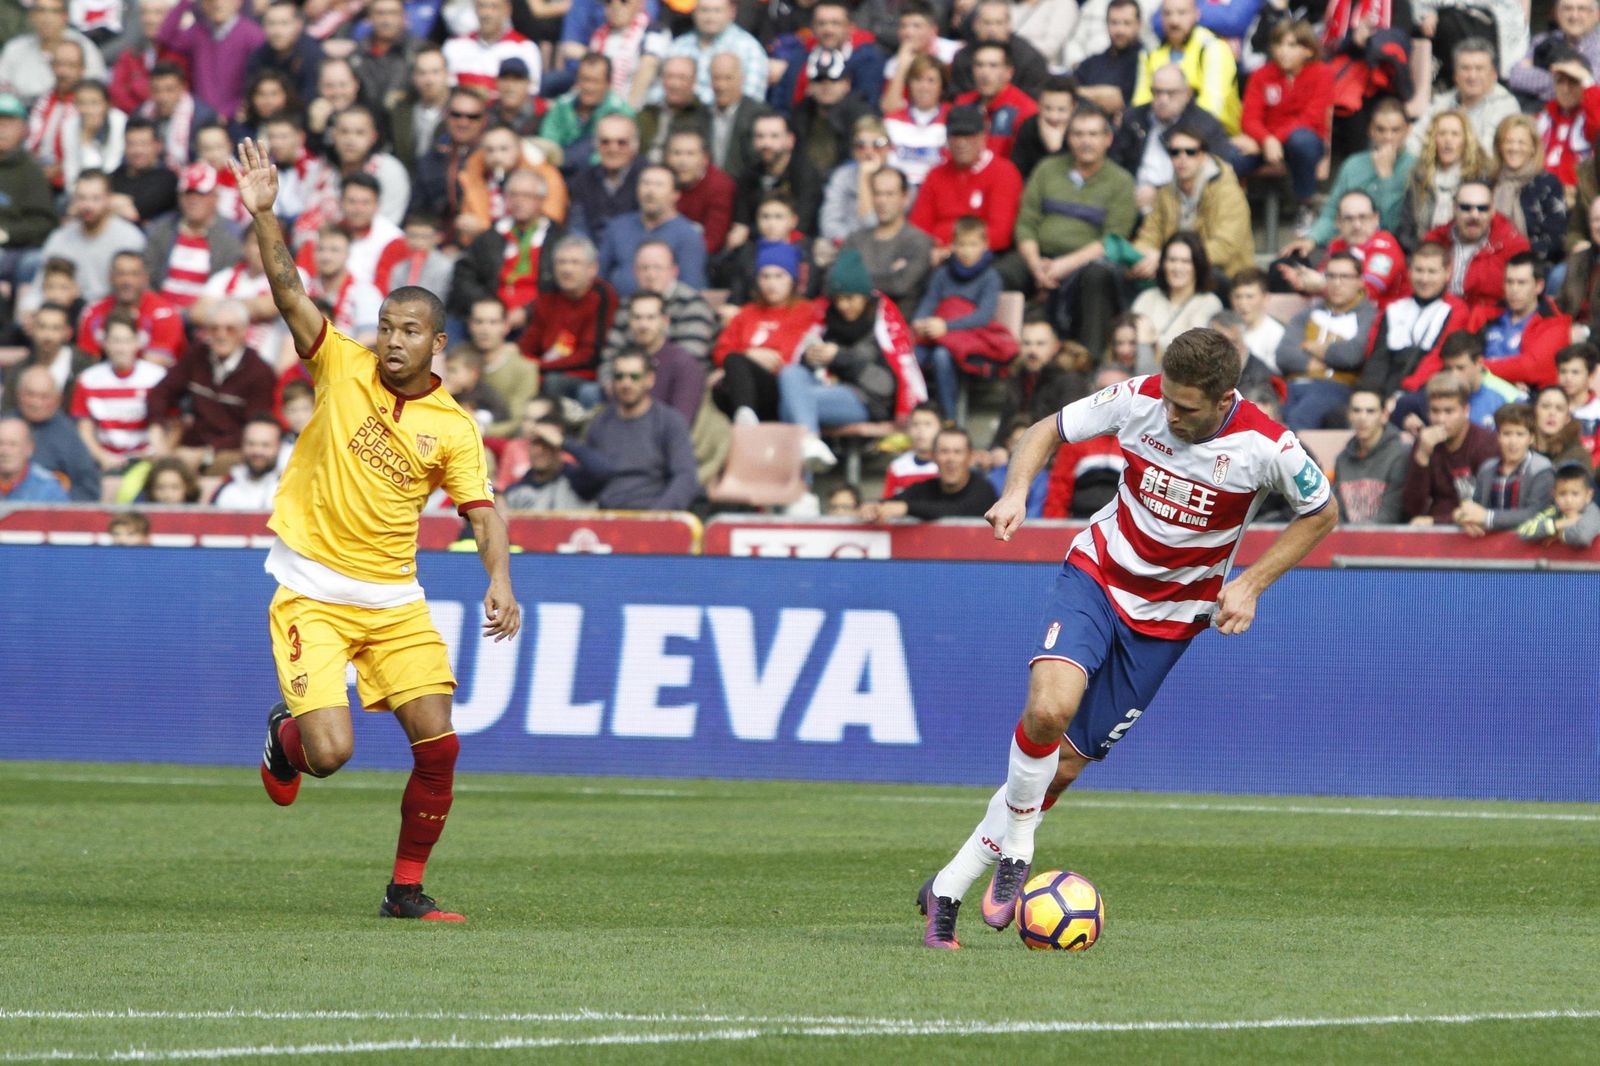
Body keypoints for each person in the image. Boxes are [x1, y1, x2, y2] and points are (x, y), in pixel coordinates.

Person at [916, 327, 1338, 948]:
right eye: (1166, 399)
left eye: (1186, 407)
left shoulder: (1267, 446)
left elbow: (1322, 511)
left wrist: (1251, 585)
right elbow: (1045, 431)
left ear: (1225, 399)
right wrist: (1013, 493)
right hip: (1097, 576)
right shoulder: (1137, 399)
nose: (1169, 414)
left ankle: (947, 888)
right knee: (1048, 710)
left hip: (1171, 620)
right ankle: (1020, 849)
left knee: (1059, 770)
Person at [235, 135, 519, 923]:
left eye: (408, 331)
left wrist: (499, 578)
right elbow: (290, 291)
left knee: (441, 744)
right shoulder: (339, 363)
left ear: (439, 344)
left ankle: (405, 890)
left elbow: (483, 512)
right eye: (386, 325)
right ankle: (284, 738)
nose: (391, 340)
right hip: (312, 591)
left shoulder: (454, 428)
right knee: (329, 755)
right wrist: (266, 215)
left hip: (394, 599)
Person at [1014, 106, 1137, 355]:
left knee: (1097, 276)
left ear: (1108, 139)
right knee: (1001, 273)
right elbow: (1026, 223)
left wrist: (1062, 266)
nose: (1085, 141)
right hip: (1039, 256)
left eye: (1093, 134)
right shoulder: (1047, 169)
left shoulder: (1121, 180)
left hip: (1086, 260)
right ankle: (1003, 359)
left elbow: (1113, 238)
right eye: (1078, 134)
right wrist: (1036, 264)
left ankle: (1089, 362)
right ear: (1068, 138)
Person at [779, 248, 912, 470]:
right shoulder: (827, 320)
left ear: (864, 296)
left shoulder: (880, 327)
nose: (843, 305)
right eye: (838, 299)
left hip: (865, 400)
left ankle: (802, 483)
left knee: (790, 405)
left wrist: (840, 357)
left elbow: (885, 386)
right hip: (823, 390)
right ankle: (810, 443)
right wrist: (811, 358)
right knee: (790, 374)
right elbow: (803, 369)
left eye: (850, 298)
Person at [145, 300, 277, 475]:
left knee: (188, 472)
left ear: (244, 332)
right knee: (151, 471)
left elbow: (254, 427)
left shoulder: (259, 372)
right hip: (191, 445)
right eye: (214, 329)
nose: (221, 335)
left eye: (230, 329)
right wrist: (157, 428)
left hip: (232, 450)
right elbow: (162, 392)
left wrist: (207, 453)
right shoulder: (197, 355)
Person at [1234, 21, 1333, 232]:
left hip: (1302, 142)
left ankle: (1305, 206)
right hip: (1264, 143)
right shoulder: (1261, 74)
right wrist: (1266, 140)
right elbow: (1249, 119)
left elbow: (1311, 118)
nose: (1283, 51)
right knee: (1232, 155)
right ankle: (1233, 213)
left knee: (1301, 141)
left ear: (1308, 50)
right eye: (1279, 44)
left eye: (1291, 45)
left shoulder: (1322, 74)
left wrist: (1274, 139)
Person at [910, 215, 1010, 416]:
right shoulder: (942, 274)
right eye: (961, 244)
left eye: (973, 244)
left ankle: (949, 418)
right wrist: (920, 322)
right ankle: (914, 413)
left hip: (969, 342)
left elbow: (983, 316)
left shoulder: (990, 277)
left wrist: (947, 326)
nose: (966, 251)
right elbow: (930, 302)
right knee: (913, 356)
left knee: (941, 356)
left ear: (985, 245)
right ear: (953, 245)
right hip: (937, 335)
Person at [1131, 124, 1254, 284]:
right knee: (1129, 273)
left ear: (1203, 155)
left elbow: (1224, 249)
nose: (1182, 158)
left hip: (1225, 276)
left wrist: (1170, 259)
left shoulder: (1227, 191)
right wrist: (1144, 255)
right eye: (1175, 152)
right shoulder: (1166, 192)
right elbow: (1148, 235)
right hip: (1176, 272)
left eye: (1190, 152)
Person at [1292, 100, 1415, 257]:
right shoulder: (1353, 164)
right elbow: (1331, 212)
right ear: (1371, 130)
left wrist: (1386, 178)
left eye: (1395, 130)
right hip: (1349, 246)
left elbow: (1391, 227)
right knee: (1294, 260)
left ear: (1408, 130)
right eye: (1381, 130)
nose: (1388, 137)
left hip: (1392, 250)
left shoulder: (1414, 167)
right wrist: (1312, 239)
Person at [711, 242, 816, 423]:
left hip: (781, 386)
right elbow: (722, 351)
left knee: (735, 362)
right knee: (724, 377)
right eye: (765, 276)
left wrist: (748, 358)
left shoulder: (805, 311)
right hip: (743, 383)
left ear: (791, 279)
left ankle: (745, 418)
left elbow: (790, 355)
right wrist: (750, 355)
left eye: (778, 276)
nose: (771, 283)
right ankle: (745, 417)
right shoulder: (747, 312)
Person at [448, 169, 564, 333]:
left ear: (541, 200)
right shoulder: (490, 236)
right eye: (513, 195)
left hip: (539, 320)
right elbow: (464, 275)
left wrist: (528, 311)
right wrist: (489, 307)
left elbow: (561, 287)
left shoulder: (558, 240)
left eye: (526, 196)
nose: (518, 201)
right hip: (489, 318)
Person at [1111, 63, 1234, 216]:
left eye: (1171, 93)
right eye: (1157, 92)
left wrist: (1161, 194)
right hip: (1129, 201)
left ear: (1187, 93)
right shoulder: (1133, 118)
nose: (1163, 99)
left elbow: (1218, 174)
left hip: (1184, 207)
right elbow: (1114, 163)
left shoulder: (1205, 126)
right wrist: (1126, 194)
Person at [584, 349, 699, 509]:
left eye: (634, 376)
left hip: (654, 517)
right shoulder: (600, 423)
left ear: (650, 379)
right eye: (619, 376)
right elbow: (587, 477)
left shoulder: (670, 421)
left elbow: (685, 477)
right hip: (606, 519)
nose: (626, 383)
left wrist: (656, 517)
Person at [907, 105, 1022, 263]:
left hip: (986, 257)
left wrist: (954, 250)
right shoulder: (935, 174)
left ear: (983, 136)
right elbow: (918, 228)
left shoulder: (1003, 172)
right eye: (956, 135)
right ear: (947, 138)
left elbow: (1000, 234)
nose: (961, 143)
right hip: (936, 255)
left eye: (969, 135)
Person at [1274, 252, 1376, 430]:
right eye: (1331, 276)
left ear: (1360, 281)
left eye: (1345, 277)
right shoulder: (1308, 314)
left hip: (1335, 387)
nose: (1337, 283)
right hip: (1293, 385)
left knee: (1300, 417)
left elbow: (1352, 355)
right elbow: (1284, 354)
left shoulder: (1369, 315)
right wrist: (1311, 362)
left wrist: (1311, 347)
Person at [1359, 241, 1472, 400]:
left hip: (1426, 390)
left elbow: (1439, 357)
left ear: (1447, 273)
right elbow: (1377, 356)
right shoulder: (1394, 308)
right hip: (1385, 386)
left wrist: (1404, 393)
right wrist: (1370, 396)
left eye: (1432, 272)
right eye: (1419, 270)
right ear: (1409, 272)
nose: (1424, 279)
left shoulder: (1456, 309)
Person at [517, 234, 617, 407]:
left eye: (574, 263)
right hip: (545, 368)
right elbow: (531, 340)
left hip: (583, 374)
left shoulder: (602, 295)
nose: (567, 269)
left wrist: (539, 366)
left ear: (592, 269)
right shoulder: (549, 293)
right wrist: (519, 360)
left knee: (552, 382)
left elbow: (591, 355)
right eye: (561, 262)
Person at [1276, 190, 1411, 313]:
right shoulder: (1337, 245)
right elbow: (1322, 280)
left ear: (1376, 219)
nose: (1357, 225)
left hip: (1387, 324)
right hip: (1348, 318)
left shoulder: (1385, 246)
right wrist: (1304, 284)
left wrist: (1322, 286)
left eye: (1363, 217)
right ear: (1338, 222)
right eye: (1348, 218)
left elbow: (1369, 292)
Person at [1424, 179, 1531, 330]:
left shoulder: (1512, 245)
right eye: (1466, 208)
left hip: (1488, 325)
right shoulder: (1435, 240)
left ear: (1493, 209)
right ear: (1454, 208)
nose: (1474, 215)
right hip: (1436, 318)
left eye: (1483, 208)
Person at [70, 309, 166, 472]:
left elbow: (171, 424)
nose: (121, 348)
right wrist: (102, 457)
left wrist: (160, 455)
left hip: (147, 461)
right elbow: (84, 428)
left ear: (137, 342)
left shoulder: (157, 378)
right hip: (103, 462)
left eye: (127, 341)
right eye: (115, 341)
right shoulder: (88, 380)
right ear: (105, 343)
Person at [1402, 370, 1501, 524]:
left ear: (1465, 410)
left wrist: (1437, 522)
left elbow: (1488, 507)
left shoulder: (1486, 443)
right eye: (1435, 411)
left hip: (1473, 532)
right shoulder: (1425, 441)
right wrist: (1422, 456)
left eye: (1449, 411)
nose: (1441, 419)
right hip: (1431, 533)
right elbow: (1411, 508)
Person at [35, 170, 146, 305]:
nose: (88, 206)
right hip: (68, 312)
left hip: (112, 313)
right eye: (82, 198)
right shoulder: (60, 238)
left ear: (109, 199)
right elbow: (39, 286)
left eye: (95, 198)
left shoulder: (130, 238)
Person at [145, 162, 245, 313]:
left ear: (215, 196)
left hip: (208, 317)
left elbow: (229, 285)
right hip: (161, 313)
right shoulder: (161, 229)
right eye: (188, 193)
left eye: (201, 193)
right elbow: (147, 275)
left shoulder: (232, 236)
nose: (193, 200)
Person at [1132, 0, 1241, 135]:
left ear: (1196, 15)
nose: (1174, 21)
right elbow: (1141, 103)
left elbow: (1212, 109)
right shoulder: (1150, 53)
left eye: (1182, 13)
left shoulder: (1213, 48)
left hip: (1214, 137)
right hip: (1160, 132)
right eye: (1167, 13)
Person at [597, 162, 707, 296]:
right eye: (645, 183)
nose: (650, 191)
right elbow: (599, 277)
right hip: (619, 310)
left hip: (668, 312)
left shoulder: (688, 235)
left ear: (675, 195)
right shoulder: (617, 227)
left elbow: (691, 287)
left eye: (658, 185)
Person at [841, 167, 934, 324]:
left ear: (905, 197)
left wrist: (855, 279)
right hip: (851, 327)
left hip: (897, 332)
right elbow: (835, 281)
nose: (882, 201)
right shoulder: (855, 239)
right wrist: (888, 274)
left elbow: (900, 286)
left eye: (890, 194)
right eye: (877, 193)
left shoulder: (919, 242)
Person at [1395, 110, 1493, 253]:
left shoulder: (1480, 179)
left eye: (1455, 134)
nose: (1448, 140)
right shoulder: (1419, 176)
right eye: (1442, 134)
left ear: (1466, 140)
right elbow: (1405, 228)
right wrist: (1423, 254)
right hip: (1424, 256)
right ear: (1433, 139)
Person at [1405, 37, 1520, 159]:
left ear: (1493, 74)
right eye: (1465, 68)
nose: (1472, 76)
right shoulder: (1442, 102)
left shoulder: (1506, 105)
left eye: (1479, 68)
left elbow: (1488, 153)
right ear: (1455, 75)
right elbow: (1414, 141)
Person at [1452, 402, 1554, 535]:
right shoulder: (1487, 469)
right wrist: (1462, 517)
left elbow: (1535, 513)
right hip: (1489, 546)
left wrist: (1488, 517)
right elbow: (1475, 506)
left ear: (1531, 438)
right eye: (1507, 434)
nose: (1513, 442)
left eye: (1520, 434)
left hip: (1528, 546)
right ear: (1498, 436)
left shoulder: (1541, 469)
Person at [860, 425, 997, 521]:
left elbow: (956, 510)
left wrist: (906, 508)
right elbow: (892, 502)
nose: (950, 459)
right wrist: (872, 506)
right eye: (944, 451)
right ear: (933, 457)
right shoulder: (925, 487)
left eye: (957, 452)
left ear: (970, 457)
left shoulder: (983, 489)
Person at [156, 0, 263, 120]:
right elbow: (164, 36)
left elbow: (257, 81)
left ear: (238, 2)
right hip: (201, 118)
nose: (217, 4)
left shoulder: (253, 35)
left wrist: (230, 112)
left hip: (237, 119)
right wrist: (185, 2)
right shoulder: (197, 32)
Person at [1481, 254, 1575, 389]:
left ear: (1539, 286)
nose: (1514, 289)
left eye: (1521, 283)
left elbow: (1530, 368)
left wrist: (1481, 368)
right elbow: (1462, 358)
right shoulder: (1485, 315)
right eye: (1509, 282)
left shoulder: (1555, 324)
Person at [728, 113, 822, 248]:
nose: (766, 143)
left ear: (790, 140)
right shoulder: (747, 176)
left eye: (774, 136)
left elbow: (802, 225)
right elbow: (741, 221)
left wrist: (750, 232)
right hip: (755, 247)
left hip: (796, 247)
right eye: (760, 136)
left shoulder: (806, 175)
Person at [8, 363, 100, 500]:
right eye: (30, 394)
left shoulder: (69, 436)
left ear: (58, 399)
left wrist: (58, 503)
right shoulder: (5, 426)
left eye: (44, 396)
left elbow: (88, 489)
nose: (36, 403)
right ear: (18, 395)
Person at [77, 250, 185, 366]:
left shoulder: (164, 314)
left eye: (134, 274)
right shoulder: (93, 313)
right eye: (120, 274)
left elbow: (156, 367)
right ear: (110, 277)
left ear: (145, 278)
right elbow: (87, 364)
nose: (127, 281)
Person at [1130, 233, 1225, 360]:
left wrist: (1151, 340)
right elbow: (1128, 341)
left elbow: (1192, 351)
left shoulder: (1209, 303)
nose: (1177, 267)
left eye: (1186, 261)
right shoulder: (1147, 298)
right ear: (1163, 264)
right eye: (1172, 260)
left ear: (1197, 266)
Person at [457, 298, 537, 439]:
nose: (485, 329)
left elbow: (516, 421)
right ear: (470, 325)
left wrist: (476, 431)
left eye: (493, 322)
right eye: (478, 321)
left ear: (506, 326)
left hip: (496, 441)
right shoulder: (455, 359)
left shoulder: (524, 369)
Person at [1333, 387, 1411, 524]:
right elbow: (1338, 513)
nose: (1362, 418)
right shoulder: (1342, 459)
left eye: (1370, 411)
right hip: (1347, 541)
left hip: (1389, 541)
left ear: (1384, 416)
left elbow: (1392, 513)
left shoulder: (1401, 454)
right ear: (1349, 415)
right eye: (1356, 410)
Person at [443, 0, 543, 97]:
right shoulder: (454, 45)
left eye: (494, 7)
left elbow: (531, 93)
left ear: (507, 10)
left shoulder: (525, 48)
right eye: (482, 6)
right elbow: (446, 89)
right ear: (474, 9)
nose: (487, 13)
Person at [883, 53, 950, 192]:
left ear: (942, 86)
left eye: (931, 81)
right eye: (918, 80)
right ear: (909, 84)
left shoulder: (952, 119)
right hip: (897, 193)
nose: (924, 87)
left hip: (936, 191)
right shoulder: (891, 120)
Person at [666, 128, 734, 255]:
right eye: (677, 153)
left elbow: (713, 241)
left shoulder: (720, 186)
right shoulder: (662, 180)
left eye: (690, 154)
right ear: (667, 157)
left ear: (704, 158)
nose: (682, 161)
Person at [1073, 0, 1144, 115]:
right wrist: (1101, 94)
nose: (1120, 30)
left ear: (1139, 24)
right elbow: (1068, 92)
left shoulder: (1144, 60)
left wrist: (1081, 93)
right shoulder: (1092, 63)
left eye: (1127, 23)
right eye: (1114, 23)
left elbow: (1117, 100)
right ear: (1106, 23)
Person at [210, 414, 284, 509]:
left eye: (265, 445)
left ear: (279, 447)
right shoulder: (227, 489)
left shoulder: (291, 491)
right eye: (251, 444)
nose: (257, 451)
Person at [1517, 463, 1600, 546]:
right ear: (1554, 495)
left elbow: (1582, 537)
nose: (1568, 500)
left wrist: (1559, 534)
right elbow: (1523, 532)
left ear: (1588, 495)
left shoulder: (1592, 511)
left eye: (1575, 494)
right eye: (1562, 494)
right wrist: (1559, 524)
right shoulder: (1554, 511)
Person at [0, 415, 71, 501]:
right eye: (1, 443)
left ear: (29, 448)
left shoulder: (49, 488)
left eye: (13, 444)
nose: (5, 451)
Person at [1228, 268, 1285, 373]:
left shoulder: (1276, 333)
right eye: (1238, 296)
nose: (1242, 303)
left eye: (1249, 296)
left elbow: (1273, 377)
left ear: (1266, 298)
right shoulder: (1229, 329)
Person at [880, 400, 941, 498]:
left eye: (927, 424)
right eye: (915, 424)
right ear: (908, 430)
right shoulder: (897, 467)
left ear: (941, 428)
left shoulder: (949, 464)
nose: (920, 430)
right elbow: (886, 504)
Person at [1532, 383, 1594, 469]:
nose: (1552, 413)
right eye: (1545, 406)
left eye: (1559, 408)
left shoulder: (1577, 456)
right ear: (1535, 411)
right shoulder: (1521, 449)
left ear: (1567, 418)